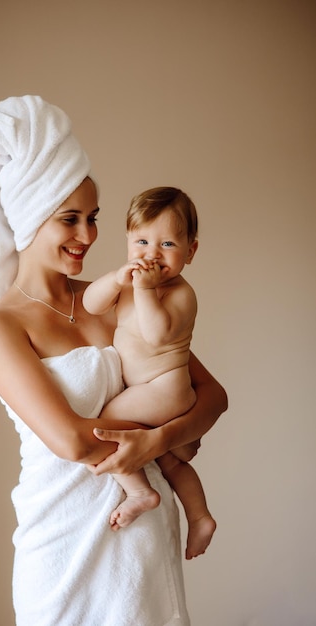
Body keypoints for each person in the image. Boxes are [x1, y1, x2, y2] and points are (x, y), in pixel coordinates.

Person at [0, 95, 227, 626]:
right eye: (70, 219)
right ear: (31, 219)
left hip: (141, 534)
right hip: (62, 535)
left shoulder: (121, 298)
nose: (89, 236)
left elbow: (213, 396)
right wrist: (160, 437)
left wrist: (158, 441)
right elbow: (72, 441)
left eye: (94, 218)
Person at [83, 187, 216, 559]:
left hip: (165, 389)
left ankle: (141, 492)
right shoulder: (128, 283)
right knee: (169, 459)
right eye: (141, 240)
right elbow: (93, 305)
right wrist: (115, 280)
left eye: (168, 244)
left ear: (190, 251)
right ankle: (200, 515)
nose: (152, 254)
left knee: (107, 424)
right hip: (154, 392)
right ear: (127, 241)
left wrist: (144, 288)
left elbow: (157, 333)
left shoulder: (179, 293)